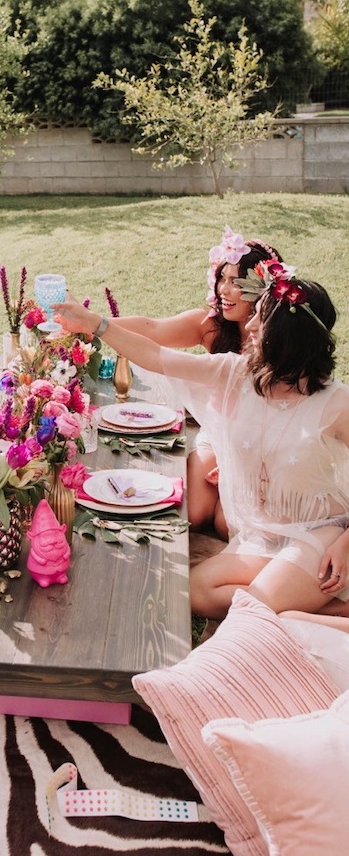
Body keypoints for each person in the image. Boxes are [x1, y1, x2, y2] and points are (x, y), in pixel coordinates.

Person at [54, 259, 349, 622]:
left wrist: (346, 544)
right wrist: (94, 323)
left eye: (262, 319)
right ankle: (318, 604)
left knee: (247, 609)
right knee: (192, 592)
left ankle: (294, 603)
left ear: (290, 334)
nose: (251, 326)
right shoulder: (235, 372)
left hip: (319, 536)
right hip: (262, 538)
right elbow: (155, 355)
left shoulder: (336, 403)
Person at [111, 226, 282, 537]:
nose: (224, 291)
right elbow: (151, 330)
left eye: (236, 283)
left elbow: (288, 416)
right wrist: (92, 326)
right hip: (217, 434)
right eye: (222, 279)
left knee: (226, 523)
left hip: (265, 447)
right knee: (195, 511)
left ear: (263, 290)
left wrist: (241, 464)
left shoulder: (280, 340)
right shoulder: (210, 326)